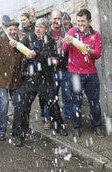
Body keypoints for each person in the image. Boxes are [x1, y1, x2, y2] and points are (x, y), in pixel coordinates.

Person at [14, 18, 68, 147]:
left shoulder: (49, 40)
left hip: (44, 77)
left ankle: (59, 126)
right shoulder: (29, 37)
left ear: (46, 28)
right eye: (37, 26)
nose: (38, 29)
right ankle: (19, 134)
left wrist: (35, 54)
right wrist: (17, 46)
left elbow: (48, 54)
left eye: (41, 26)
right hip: (29, 77)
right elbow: (19, 50)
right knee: (22, 106)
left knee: (52, 103)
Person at [62, 9, 104, 137]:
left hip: (91, 74)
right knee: (76, 101)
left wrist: (89, 51)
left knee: (94, 102)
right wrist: (67, 43)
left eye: (83, 21)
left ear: (89, 21)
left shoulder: (96, 35)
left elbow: (97, 54)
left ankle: (97, 126)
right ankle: (77, 126)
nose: (80, 24)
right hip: (74, 73)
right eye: (78, 21)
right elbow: (64, 49)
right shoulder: (72, 32)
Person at [0, 15, 23, 141]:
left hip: (15, 80)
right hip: (1, 79)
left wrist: (18, 46)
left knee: (18, 104)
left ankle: (16, 132)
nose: (12, 32)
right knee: (4, 104)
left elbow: (26, 55)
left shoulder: (20, 41)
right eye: (10, 29)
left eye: (14, 30)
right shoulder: (0, 39)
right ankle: (1, 130)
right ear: (6, 30)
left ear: (17, 30)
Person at [44, 9, 73, 129]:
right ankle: (48, 118)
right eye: (54, 18)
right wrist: (49, 58)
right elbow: (43, 51)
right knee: (51, 95)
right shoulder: (46, 34)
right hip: (51, 70)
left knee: (67, 94)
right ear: (51, 19)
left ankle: (68, 117)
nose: (57, 21)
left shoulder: (66, 31)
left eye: (59, 18)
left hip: (65, 68)